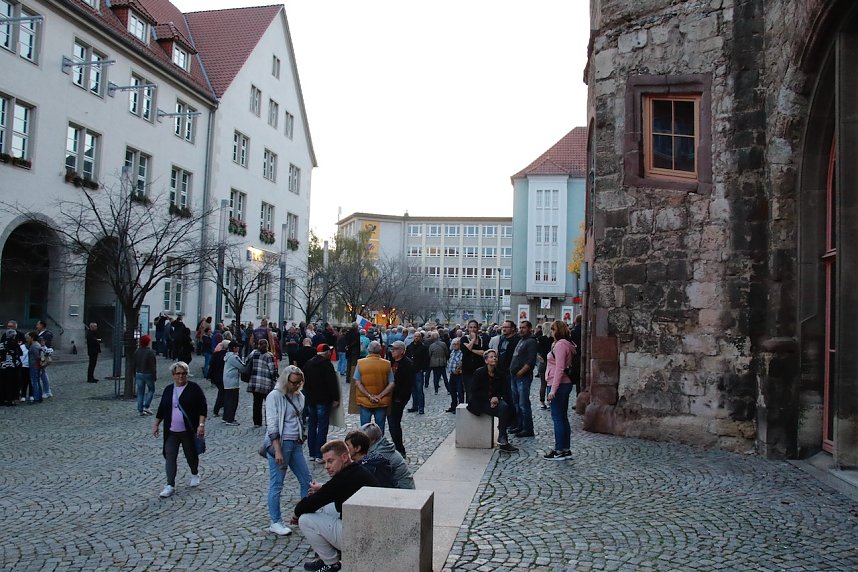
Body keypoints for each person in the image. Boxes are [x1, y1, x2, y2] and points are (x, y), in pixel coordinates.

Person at [292, 440, 379, 572]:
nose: (326, 466)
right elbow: (329, 490)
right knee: (330, 506)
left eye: (330, 461)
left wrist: (295, 514)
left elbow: (311, 503)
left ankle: (332, 563)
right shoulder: (355, 471)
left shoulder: (344, 478)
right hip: (371, 530)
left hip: (363, 539)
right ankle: (331, 555)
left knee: (305, 520)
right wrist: (322, 489)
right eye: (325, 462)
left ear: (344, 457)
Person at [264, 365, 312, 536]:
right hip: (281, 444)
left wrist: (302, 436)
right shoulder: (274, 396)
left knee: (307, 480)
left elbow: (301, 418)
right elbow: (272, 424)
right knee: (277, 484)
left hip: (295, 443)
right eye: (293, 383)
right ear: (286, 380)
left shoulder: (300, 396)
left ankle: (306, 516)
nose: (297, 386)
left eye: (299, 382)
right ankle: (275, 521)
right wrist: (277, 450)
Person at [152, 361, 207, 498]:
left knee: (191, 454)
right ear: (173, 375)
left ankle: (194, 472)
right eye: (178, 374)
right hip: (171, 431)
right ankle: (170, 484)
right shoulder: (168, 390)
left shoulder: (194, 388)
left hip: (188, 430)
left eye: (184, 374)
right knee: (170, 456)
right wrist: (156, 424)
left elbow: (202, 408)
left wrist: (201, 425)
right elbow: (162, 409)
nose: (181, 376)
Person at [467, 349, 517, 452]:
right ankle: (503, 439)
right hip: (479, 402)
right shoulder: (479, 372)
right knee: (502, 408)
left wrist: (496, 398)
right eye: (491, 357)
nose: (494, 358)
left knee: (505, 407)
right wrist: (489, 398)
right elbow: (473, 391)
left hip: (493, 402)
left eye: (495, 357)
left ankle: (503, 438)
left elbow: (502, 391)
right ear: (486, 361)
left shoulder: (499, 374)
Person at [302, 344, 340, 462]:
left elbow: (304, 382)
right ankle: (319, 454)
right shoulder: (326, 365)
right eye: (329, 351)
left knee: (312, 426)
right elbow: (331, 383)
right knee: (322, 427)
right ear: (326, 352)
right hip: (323, 400)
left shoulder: (308, 364)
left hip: (311, 400)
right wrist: (335, 398)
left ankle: (312, 453)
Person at [544, 320, 576, 460]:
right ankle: (565, 448)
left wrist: (553, 390)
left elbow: (560, 368)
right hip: (562, 383)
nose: (551, 332)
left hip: (560, 384)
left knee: (558, 417)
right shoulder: (562, 344)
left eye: (552, 329)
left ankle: (559, 450)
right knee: (562, 417)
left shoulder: (561, 345)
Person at [353, 340, 394, 432]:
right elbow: (391, 383)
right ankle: (379, 444)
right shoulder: (387, 364)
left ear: (368, 349)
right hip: (381, 400)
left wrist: (369, 396)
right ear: (380, 350)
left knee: (364, 428)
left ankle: (365, 445)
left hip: (365, 399)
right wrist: (379, 396)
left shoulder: (360, 363)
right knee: (380, 427)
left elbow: (357, 382)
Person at [359, 422, 415, 489]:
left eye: (362, 439)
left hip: (402, 490)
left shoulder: (379, 455)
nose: (359, 441)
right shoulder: (382, 446)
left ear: (372, 440)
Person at [509, 320, 538, 438]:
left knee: (523, 404)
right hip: (514, 377)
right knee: (517, 403)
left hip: (523, 377)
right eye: (520, 327)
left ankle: (528, 428)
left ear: (530, 328)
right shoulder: (521, 340)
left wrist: (522, 371)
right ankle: (520, 425)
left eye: (524, 328)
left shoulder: (531, 341)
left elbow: (531, 360)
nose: (521, 329)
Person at [386, 340, 414, 457]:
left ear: (402, 351)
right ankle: (396, 446)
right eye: (392, 349)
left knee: (394, 423)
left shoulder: (407, 364)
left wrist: (399, 398)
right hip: (389, 396)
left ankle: (400, 449)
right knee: (392, 423)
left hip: (398, 398)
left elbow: (408, 384)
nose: (392, 351)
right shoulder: (390, 362)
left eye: (395, 349)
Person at [246, 339, 277, 428]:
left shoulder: (254, 354)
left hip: (255, 381)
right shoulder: (268, 356)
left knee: (256, 403)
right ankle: (268, 421)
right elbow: (272, 369)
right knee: (268, 403)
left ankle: (257, 422)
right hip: (265, 383)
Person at [222, 341, 247, 426]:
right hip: (232, 382)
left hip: (227, 381)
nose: (238, 348)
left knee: (228, 400)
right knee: (233, 401)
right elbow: (242, 367)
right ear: (234, 348)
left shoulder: (228, 356)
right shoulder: (234, 357)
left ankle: (226, 417)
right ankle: (230, 419)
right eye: (237, 347)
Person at [405, 331, 429, 414]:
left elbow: (426, 359)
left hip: (419, 371)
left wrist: (423, 369)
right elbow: (406, 358)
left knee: (419, 390)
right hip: (411, 371)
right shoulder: (409, 347)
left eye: (418, 336)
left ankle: (421, 407)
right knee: (413, 390)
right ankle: (414, 406)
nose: (416, 338)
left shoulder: (424, 348)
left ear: (420, 338)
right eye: (415, 336)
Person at [133, 335, 157, 416]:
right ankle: (146, 406)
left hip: (139, 373)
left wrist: (134, 373)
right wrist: (154, 375)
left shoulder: (137, 351)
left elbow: (134, 364)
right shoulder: (150, 352)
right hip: (148, 373)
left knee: (140, 392)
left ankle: (140, 409)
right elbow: (153, 365)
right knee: (151, 390)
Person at [460, 320, 485, 401]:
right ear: (468, 328)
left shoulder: (482, 340)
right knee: (470, 392)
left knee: (479, 391)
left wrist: (471, 349)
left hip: (480, 369)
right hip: (468, 370)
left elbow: (484, 353)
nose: (473, 329)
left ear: (477, 328)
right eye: (471, 327)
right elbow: (465, 351)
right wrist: (473, 339)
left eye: (474, 327)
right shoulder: (464, 339)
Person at [34, 320, 53, 398]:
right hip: (39, 355)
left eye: (38, 324)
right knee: (42, 373)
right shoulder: (39, 334)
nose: (36, 326)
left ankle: (46, 390)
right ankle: (47, 390)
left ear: (42, 325)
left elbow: (47, 346)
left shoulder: (47, 334)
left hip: (43, 355)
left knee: (42, 373)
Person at [445, 337, 464, 412]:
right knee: (452, 391)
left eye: (457, 344)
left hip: (459, 375)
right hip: (452, 374)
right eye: (454, 344)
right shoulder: (452, 352)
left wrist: (459, 369)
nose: (455, 345)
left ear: (459, 345)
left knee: (460, 391)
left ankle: (460, 407)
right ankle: (453, 406)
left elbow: (461, 362)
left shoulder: (461, 353)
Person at [428, 330, 449, 395]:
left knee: (435, 377)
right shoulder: (443, 344)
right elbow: (446, 353)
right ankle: (448, 390)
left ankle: (436, 390)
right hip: (442, 362)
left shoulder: (431, 346)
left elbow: (429, 355)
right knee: (445, 376)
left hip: (434, 363)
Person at [24, 332, 43, 403]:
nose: (27, 340)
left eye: (28, 338)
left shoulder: (34, 346)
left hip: (34, 365)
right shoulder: (35, 344)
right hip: (35, 365)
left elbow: (37, 356)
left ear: (32, 338)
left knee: (34, 381)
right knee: (36, 381)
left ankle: (36, 397)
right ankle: (39, 396)